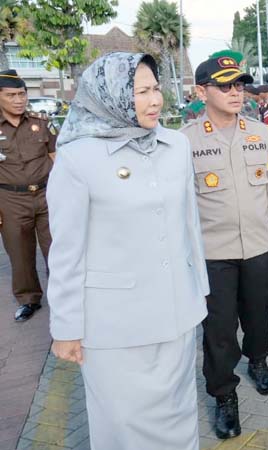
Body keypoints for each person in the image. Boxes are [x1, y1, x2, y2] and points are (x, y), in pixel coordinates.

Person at [47, 52, 208, 449]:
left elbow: (190, 226)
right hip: (113, 325)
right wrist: (66, 327)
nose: (155, 101)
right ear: (110, 96)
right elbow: (66, 252)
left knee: (179, 412)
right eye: (141, 91)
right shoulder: (77, 159)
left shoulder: (175, 146)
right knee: (120, 422)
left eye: (156, 89)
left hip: (176, 312)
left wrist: (198, 289)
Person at [181, 56, 268, 440]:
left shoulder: (261, 133)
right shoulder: (185, 141)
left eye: (239, 85)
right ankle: (224, 394)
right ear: (202, 92)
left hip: (260, 249)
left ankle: (258, 361)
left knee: (260, 317)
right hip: (213, 256)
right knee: (219, 330)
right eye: (225, 86)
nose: (234, 92)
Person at [0, 69, 55, 322]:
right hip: (10, 200)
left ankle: (62, 295)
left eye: (22, 94)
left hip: (46, 195)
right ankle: (28, 299)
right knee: (19, 252)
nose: (19, 100)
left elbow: (56, 158)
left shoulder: (41, 121)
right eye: (11, 95)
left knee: (57, 248)